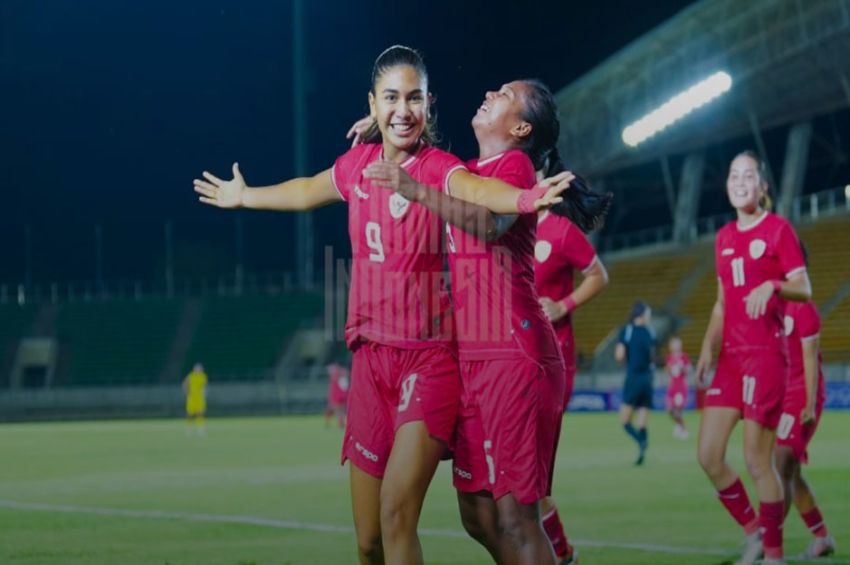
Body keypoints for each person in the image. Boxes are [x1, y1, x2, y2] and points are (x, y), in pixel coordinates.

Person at [194, 45, 566, 565]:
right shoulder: (357, 165)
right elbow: (306, 189)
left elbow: (482, 192)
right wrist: (245, 196)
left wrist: (527, 199)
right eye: (391, 98)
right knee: (369, 541)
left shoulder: (439, 168)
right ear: (372, 104)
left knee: (398, 514)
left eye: (414, 98)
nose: (403, 109)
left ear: (429, 105)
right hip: (370, 364)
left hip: (431, 361)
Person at [365, 79, 610, 565]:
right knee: (477, 514)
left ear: (520, 127)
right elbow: (439, 173)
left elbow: (488, 223)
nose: (490, 92)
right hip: (475, 362)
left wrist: (416, 190)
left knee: (518, 520)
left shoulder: (514, 167)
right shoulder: (474, 171)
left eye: (505, 94)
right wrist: (389, 128)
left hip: (513, 358)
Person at [695, 150, 811, 565]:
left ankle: (774, 555)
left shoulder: (779, 230)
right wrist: (708, 346)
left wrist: (776, 287)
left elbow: (805, 286)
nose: (739, 181)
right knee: (708, 454)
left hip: (765, 356)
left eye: (748, 176)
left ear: (762, 187)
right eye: (733, 175)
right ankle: (754, 533)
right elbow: (722, 304)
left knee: (757, 461)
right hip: (730, 357)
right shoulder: (724, 237)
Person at [534, 178, 609, 563]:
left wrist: (564, 305)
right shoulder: (507, 227)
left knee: (533, 472)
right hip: (515, 360)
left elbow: (599, 275)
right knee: (522, 476)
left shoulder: (560, 231)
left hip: (554, 361)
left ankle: (561, 554)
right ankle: (562, 554)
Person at [775, 296, 836, 558]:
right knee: (791, 471)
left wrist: (809, 404)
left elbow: (810, 358)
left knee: (781, 464)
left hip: (802, 394)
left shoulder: (804, 307)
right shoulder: (774, 305)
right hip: (782, 394)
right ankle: (822, 538)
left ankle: (768, 545)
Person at [615, 301, 656, 466]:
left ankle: (640, 441)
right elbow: (653, 356)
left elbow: (619, 355)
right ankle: (642, 450)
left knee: (625, 420)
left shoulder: (627, 330)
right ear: (643, 314)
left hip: (633, 378)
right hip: (648, 379)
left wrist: (627, 361)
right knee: (642, 421)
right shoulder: (650, 332)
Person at [664, 336, 691, 439]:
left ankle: (683, 428)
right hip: (672, 387)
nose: (675, 346)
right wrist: (669, 367)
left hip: (681, 387)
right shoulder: (669, 357)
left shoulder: (684, 357)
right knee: (669, 409)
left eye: (677, 344)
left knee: (678, 410)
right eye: (674, 344)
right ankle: (679, 425)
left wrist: (682, 367)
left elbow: (688, 370)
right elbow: (667, 371)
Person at [183, 362, 208, 436]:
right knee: (190, 414)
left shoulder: (203, 376)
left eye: (199, 369)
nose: (198, 370)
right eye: (197, 368)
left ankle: (200, 429)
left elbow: (205, 385)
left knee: (200, 413)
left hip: (199, 397)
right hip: (192, 397)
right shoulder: (190, 376)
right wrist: (187, 392)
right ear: (194, 369)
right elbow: (184, 384)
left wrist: (204, 392)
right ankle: (189, 428)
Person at [325, 362, 350, 429]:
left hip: (337, 396)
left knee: (339, 411)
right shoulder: (340, 375)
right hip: (338, 396)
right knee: (338, 411)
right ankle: (339, 424)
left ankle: (341, 424)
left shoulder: (340, 376)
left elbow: (344, 387)